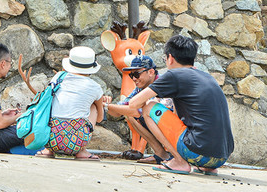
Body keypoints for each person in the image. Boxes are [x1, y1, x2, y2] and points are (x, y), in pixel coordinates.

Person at [127, 35, 234, 175]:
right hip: (221, 157)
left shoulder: (173, 75)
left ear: (170, 58)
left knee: (149, 107)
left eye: (165, 59)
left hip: (197, 152)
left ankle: (178, 161)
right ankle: (207, 167)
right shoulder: (207, 76)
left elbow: (133, 103)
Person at [35, 46, 104, 160]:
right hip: (75, 143)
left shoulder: (58, 78)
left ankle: (48, 150)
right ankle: (82, 151)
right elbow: (100, 118)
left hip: (49, 139)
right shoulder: (95, 87)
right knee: (93, 107)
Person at [102, 55, 174, 164]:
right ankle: (161, 154)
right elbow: (120, 111)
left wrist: (106, 106)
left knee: (145, 109)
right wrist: (106, 105)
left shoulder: (162, 83)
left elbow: (136, 110)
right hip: (165, 125)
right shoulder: (140, 88)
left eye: (136, 74)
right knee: (130, 115)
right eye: (131, 75)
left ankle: (173, 155)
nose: (134, 78)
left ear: (150, 72)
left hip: (177, 127)